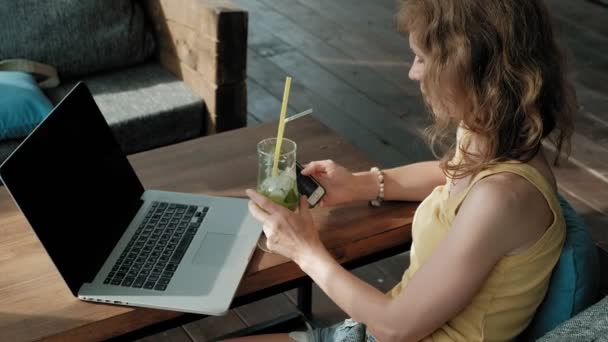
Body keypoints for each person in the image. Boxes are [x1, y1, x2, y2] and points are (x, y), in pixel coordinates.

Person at [227, 0, 576, 340]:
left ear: (472, 68)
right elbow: (453, 172)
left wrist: (304, 249)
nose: (413, 72)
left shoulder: (503, 198)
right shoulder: (485, 130)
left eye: (422, 59)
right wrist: (364, 185)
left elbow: (394, 328)